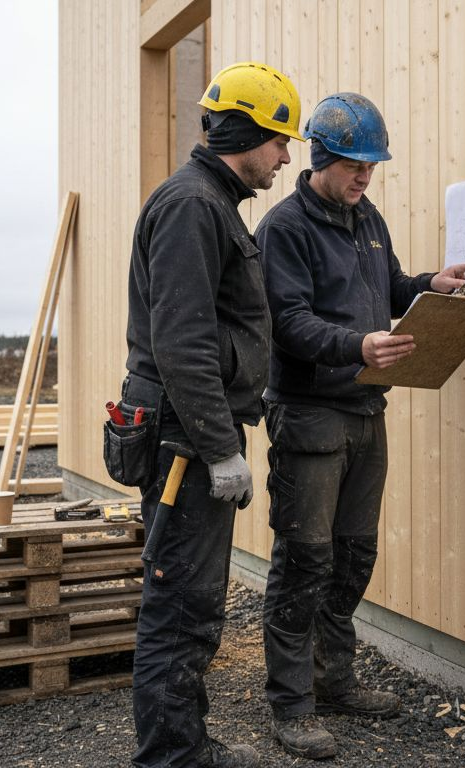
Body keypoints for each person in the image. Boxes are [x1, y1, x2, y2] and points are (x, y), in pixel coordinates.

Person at [254, 92, 465, 759]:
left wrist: (426, 286)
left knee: (353, 555)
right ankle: (290, 705)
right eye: (355, 165)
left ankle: (335, 682)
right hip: (308, 414)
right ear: (322, 156)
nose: (365, 177)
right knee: (305, 558)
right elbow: (288, 322)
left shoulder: (367, 218)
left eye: (372, 167)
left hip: (364, 409)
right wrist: (356, 347)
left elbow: (385, 289)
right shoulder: (285, 228)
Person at [122, 61, 303, 768]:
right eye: (281, 141)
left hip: (190, 432)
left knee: (191, 599)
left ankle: (183, 742)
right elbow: (183, 342)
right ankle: (171, 757)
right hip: (183, 440)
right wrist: (220, 448)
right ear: (250, 133)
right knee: (180, 604)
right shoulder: (195, 207)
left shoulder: (211, 204)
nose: (286, 157)